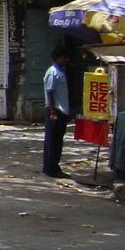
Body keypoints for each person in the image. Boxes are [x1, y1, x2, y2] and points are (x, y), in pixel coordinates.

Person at [43, 48, 73, 178]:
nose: (66, 60)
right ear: (57, 58)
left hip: (62, 110)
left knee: (57, 141)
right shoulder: (53, 72)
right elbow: (49, 92)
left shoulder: (61, 72)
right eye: (64, 58)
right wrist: (52, 111)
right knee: (52, 141)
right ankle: (51, 168)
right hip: (55, 111)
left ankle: (54, 166)